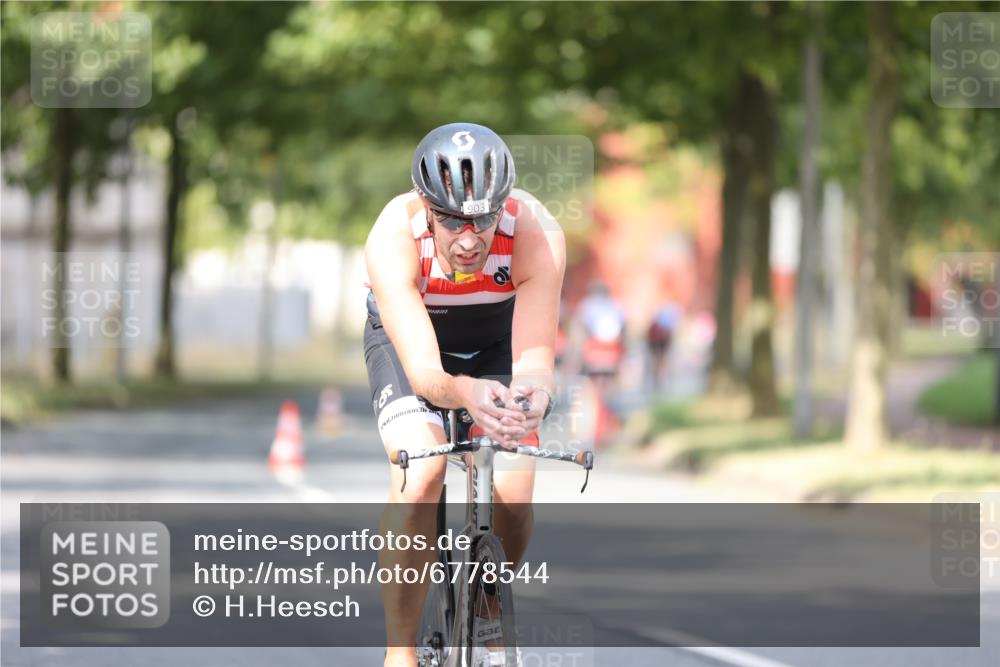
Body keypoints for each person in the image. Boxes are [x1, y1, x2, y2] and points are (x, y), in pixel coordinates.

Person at [364, 122, 566, 667]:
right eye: (451, 220)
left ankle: (487, 604)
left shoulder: (535, 231)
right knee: (422, 475)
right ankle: (400, 651)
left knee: (515, 490)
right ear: (426, 208)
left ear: (503, 205)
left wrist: (533, 398)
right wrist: (462, 393)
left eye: (482, 218)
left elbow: (533, 362)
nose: (469, 238)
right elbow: (427, 372)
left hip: (497, 344)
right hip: (415, 348)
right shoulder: (394, 234)